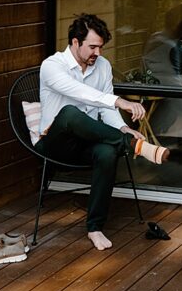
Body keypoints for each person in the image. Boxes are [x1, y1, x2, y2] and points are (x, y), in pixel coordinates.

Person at [36, 13, 170, 251]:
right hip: (55, 144)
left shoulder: (102, 66)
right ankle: (131, 145)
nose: (97, 53)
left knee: (107, 153)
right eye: (92, 47)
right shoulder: (52, 66)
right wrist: (122, 102)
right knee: (69, 113)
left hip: (85, 142)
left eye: (100, 47)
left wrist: (123, 126)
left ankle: (95, 228)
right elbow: (81, 93)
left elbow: (104, 109)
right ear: (75, 43)